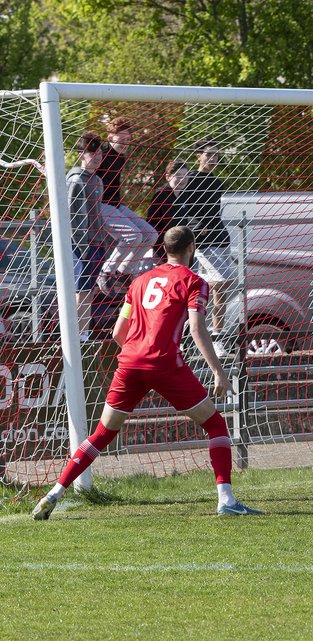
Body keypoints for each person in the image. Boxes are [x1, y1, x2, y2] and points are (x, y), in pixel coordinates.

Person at [32, 226, 260, 520]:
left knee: (102, 433)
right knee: (215, 424)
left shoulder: (139, 281)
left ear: (164, 249)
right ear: (191, 248)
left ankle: (55, 492)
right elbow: (197, 329)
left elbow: (118, 333)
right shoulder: (194, 282)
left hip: (130, 363)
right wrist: (218, 371)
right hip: (165, 365)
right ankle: (226, 500)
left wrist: (138, 356)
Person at [177, 140, 237, 357]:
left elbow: (214, 212)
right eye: (209, 154)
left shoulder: (217, 182)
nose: (213, 159)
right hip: (202, 243)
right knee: (220, 282)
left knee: (218, 289)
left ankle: (215, 338)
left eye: (216, 155)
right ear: (198, 156)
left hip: (220, 239)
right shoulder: (190, 179)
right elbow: (182, 210)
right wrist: (196, 230)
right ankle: (187, 332)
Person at [94, 116, 158, 280]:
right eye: (121, 139)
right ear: (110, 138)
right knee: (133, 235)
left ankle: (124, 273)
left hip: (116, 204)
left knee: (150, 234)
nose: (125, 143)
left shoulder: (120, 156)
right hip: (100, 205)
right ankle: (106, 272)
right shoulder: (101, 155)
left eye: (128, 140)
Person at [66, 132, 109, 341]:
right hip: (81, 245)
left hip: (97, 243)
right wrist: (82, 247)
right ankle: (76, 336)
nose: (98, 157)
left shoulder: (98, 181)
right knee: (81, 289)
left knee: (90, 291)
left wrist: (105, 241)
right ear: (82, 154)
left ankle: (84, 333)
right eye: (93, 153)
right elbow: (72, 217)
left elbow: (98, 214)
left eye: (100, 153)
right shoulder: (76, 181)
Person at [147, 159, 187, 261]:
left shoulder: (185, 195)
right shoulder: (161, 194)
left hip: (180, 249)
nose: (183, 179)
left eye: (185, 175)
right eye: (178, 175)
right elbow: (152, 223)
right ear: (168, 177)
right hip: (163, 250)